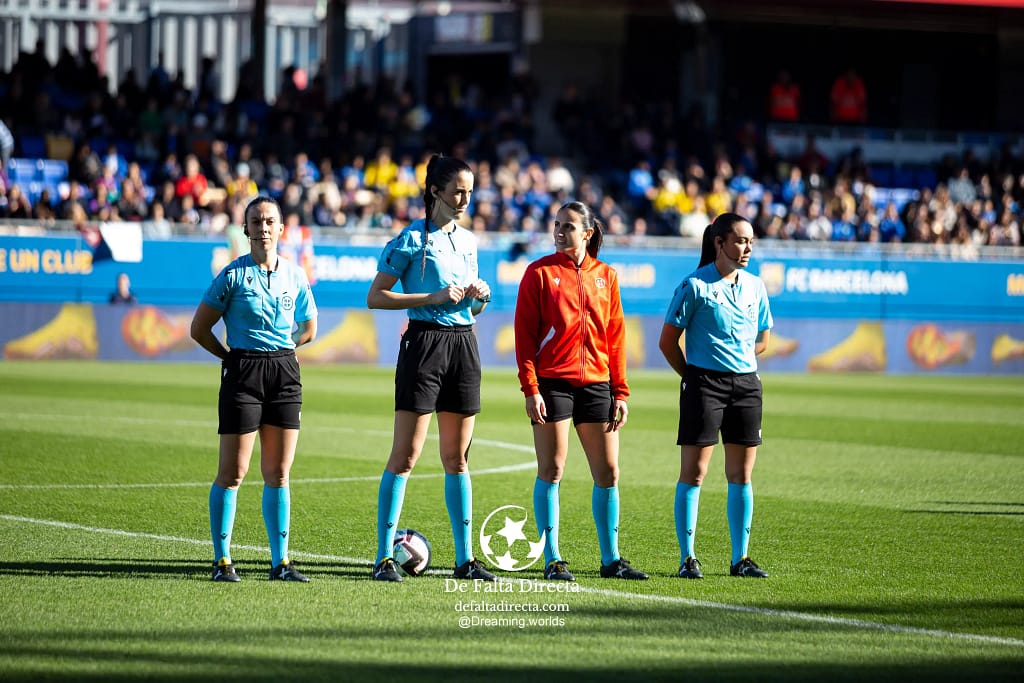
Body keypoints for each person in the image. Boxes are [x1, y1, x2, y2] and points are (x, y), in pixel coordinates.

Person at [366, 154, 496, 583]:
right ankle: (384, 558)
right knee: (405, 456)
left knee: (457, 459)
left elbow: (471, 304)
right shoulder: (410, 240)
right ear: (435, 191)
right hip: (423, 344)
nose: (465, 199)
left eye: (470, 191)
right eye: (458, 190)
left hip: (464, 344)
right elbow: (377, 297)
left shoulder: (470, 241)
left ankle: (465, 560)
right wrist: (431, 298)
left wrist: (480, 295)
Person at [514, 200, 649, 582]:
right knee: (552, 468)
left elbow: (616, 337)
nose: (559, 231)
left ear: (588, 234)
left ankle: (612, 560)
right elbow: (524, 338)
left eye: (568, 226)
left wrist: (620, 392)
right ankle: (552, 559)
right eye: (557, 224)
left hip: (598, 385)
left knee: (608, 471)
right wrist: (531, 387)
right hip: (552, 382)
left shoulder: (607, 275)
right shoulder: (538, 273)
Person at [190, 196, 318, 583]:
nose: (263, 227)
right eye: (256, 221)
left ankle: (280, 563)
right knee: (233, 472)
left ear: (281, 229)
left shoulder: (295, 275)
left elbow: (310, 328)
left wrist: (285, 350)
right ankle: (222, 560)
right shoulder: (231, 276)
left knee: (279, 473)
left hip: (284, 372)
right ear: (246, 230)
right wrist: (229, 357)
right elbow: (199, 329)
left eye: (270, 221)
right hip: (243, 371)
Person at [658, 212, 773, 580]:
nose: (747, 248)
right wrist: (694, 378)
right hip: (704, 385)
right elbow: (667, 342)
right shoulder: (694, 285)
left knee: (741, 474)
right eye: (740, 240)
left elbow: (764, 337)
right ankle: (687, 558)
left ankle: (741, 558)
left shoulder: (756, 286)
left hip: (746, 386)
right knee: (694, 473)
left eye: (751, 242)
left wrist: (738, 361)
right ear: (719, 242)